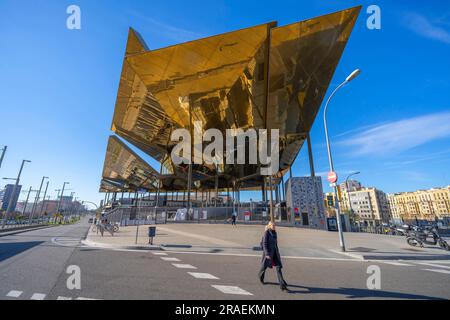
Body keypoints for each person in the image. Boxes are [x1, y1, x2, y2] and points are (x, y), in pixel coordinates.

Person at [258, 221, 288, 292]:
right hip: (268, 254)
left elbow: (275, 244)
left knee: (278, 268)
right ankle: (260, 276)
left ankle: (282, 285)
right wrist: (267, 254)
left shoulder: (275, 233)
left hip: (275, 254)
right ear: (269, 226)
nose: (274, 226)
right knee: (263, 267)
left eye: (274, 225)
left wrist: (277, 252)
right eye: (272, 225)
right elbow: (265, 244)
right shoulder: (267, 233)